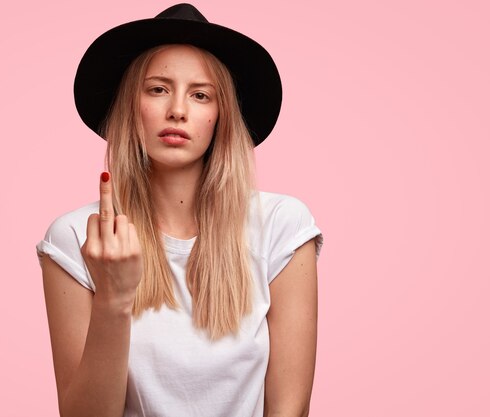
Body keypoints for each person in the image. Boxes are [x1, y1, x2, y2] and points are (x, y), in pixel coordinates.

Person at [36, 4, 324, 417]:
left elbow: (290, 409)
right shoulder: (76, 237)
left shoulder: (281, 226)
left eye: (201, 94)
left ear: (220, 116)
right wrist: (113, 300)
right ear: (129, 106)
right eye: (157, 89)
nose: (178, 110)